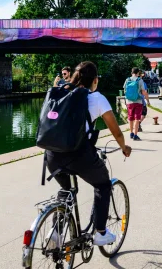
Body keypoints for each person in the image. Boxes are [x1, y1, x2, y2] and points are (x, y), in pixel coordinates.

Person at [46, 61, 132, 246]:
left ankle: (55, 234)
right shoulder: (96, 98)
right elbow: (116, 131)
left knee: (66, 191)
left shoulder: (63, 91)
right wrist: (124, 147)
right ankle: (100, 232)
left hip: (52, 154)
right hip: (78, 155)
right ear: (95, 80)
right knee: (102, 184)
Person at [123, 67, 150, 141]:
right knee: (137, 119)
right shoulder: (139, 80)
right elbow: (144, 91)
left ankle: (131, 133)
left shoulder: (127, 80)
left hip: (129, 102)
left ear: (131, 72)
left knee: (130, 118)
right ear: (138, 73)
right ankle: (135, 135)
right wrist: (148, 101)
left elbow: (125, 90)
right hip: (138, 102)